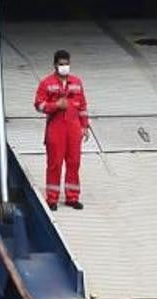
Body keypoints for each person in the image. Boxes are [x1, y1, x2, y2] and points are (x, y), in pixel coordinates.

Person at [33, 49, 89, 211]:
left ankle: (72, 197)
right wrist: (55, 106)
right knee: (54, 164)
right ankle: (52, 198)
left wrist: (84, 126)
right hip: (56, 128)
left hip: (74, 128)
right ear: (55, 65)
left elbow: (83, 106)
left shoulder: (77, 82)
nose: (64, 66)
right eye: (61, 64)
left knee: (74, 163)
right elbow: (39, 105)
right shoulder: (46, 83)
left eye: (67, 64)